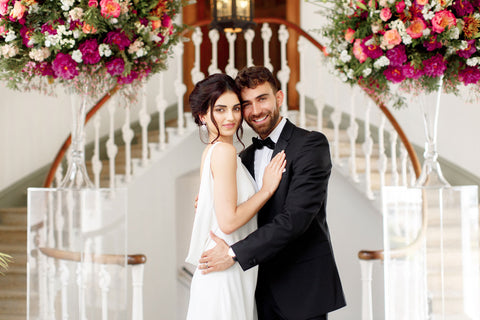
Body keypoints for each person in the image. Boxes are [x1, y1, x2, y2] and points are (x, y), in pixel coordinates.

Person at [198, 66, 346, 320]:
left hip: (301, 289)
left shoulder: (310, 144)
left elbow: (295, 220)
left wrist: (233, 254)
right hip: (257, 287)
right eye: (246, 104)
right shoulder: (242, 158)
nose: (255, 111)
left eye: (262, 99)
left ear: (278, 98)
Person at [185, 73, 286, 320]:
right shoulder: (224, 152)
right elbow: (228, 221)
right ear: (202, 115)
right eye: (220, 110)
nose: (230, 117)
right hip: (223, 268)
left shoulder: (215, 151)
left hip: (227, 265)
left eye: (235, 108)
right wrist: (266, 190)